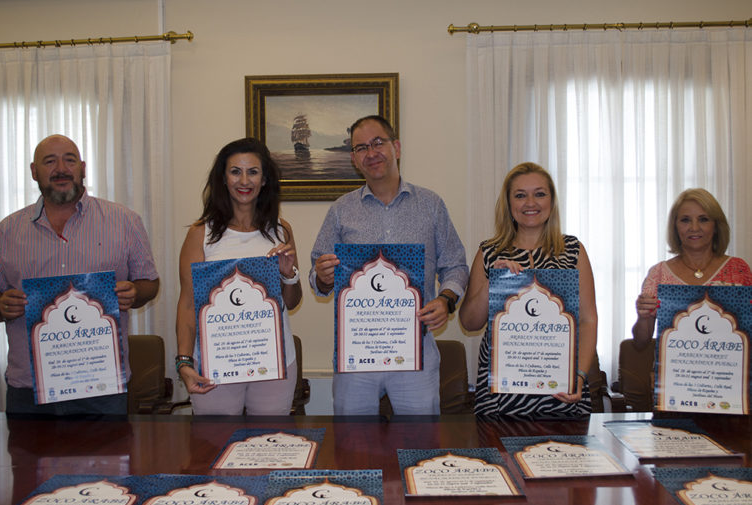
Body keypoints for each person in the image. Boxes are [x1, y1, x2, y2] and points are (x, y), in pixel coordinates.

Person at [0, 134, 160, 415]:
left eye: (70, 160)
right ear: (34, 171)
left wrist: (135, 292)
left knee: (111, 447)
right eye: (49, 161)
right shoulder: (7, 231)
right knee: (25, 449)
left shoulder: (125, 221)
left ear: (83, 168)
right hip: (30, 388)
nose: (61, 169)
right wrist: (0, 304)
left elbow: (150, 283)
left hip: (102, 386)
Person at [309, 115, 469, 415]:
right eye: (361, 148)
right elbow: (317, 276)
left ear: (396, 147)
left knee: (419, 438)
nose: (371, 153)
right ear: (354, 159)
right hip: (356, 353)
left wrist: (446, 300)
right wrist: (322, 275)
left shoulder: (431, 205)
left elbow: (455, 264)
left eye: (378, 143)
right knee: (353, 440)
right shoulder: (341, 210)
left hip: (415, 350)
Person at [459, 162, 598, 418]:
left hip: (561, 390)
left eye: (540, 194)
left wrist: (579, 376)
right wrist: (494, 283)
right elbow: (469, 322)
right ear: (509, 203)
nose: (530, 203)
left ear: (552, 201)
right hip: (501, 395)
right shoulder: (489, 252)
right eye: (520, 195)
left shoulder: (573, 250)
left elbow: (588, 320)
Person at [176, 138, 302, 415]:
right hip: (215, 362)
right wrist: (184, 361)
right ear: (223, 178)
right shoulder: (200, 234)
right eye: (235, 171)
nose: (244, 181)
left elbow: (292, 302)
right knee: (214, 439)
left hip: (273, 362)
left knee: (269, 440)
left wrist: (288, 274)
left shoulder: (281, 230)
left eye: (253, 172)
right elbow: (187, 304)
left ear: (264, 179)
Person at [632, 188, 752, 349]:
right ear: (675, 226)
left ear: (716, 226)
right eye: (685, 220)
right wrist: (643, 317)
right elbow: (640, 344)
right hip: (675, 365)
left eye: (703, 219)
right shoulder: (658, 273)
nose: (694, 228)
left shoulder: (739, 270)